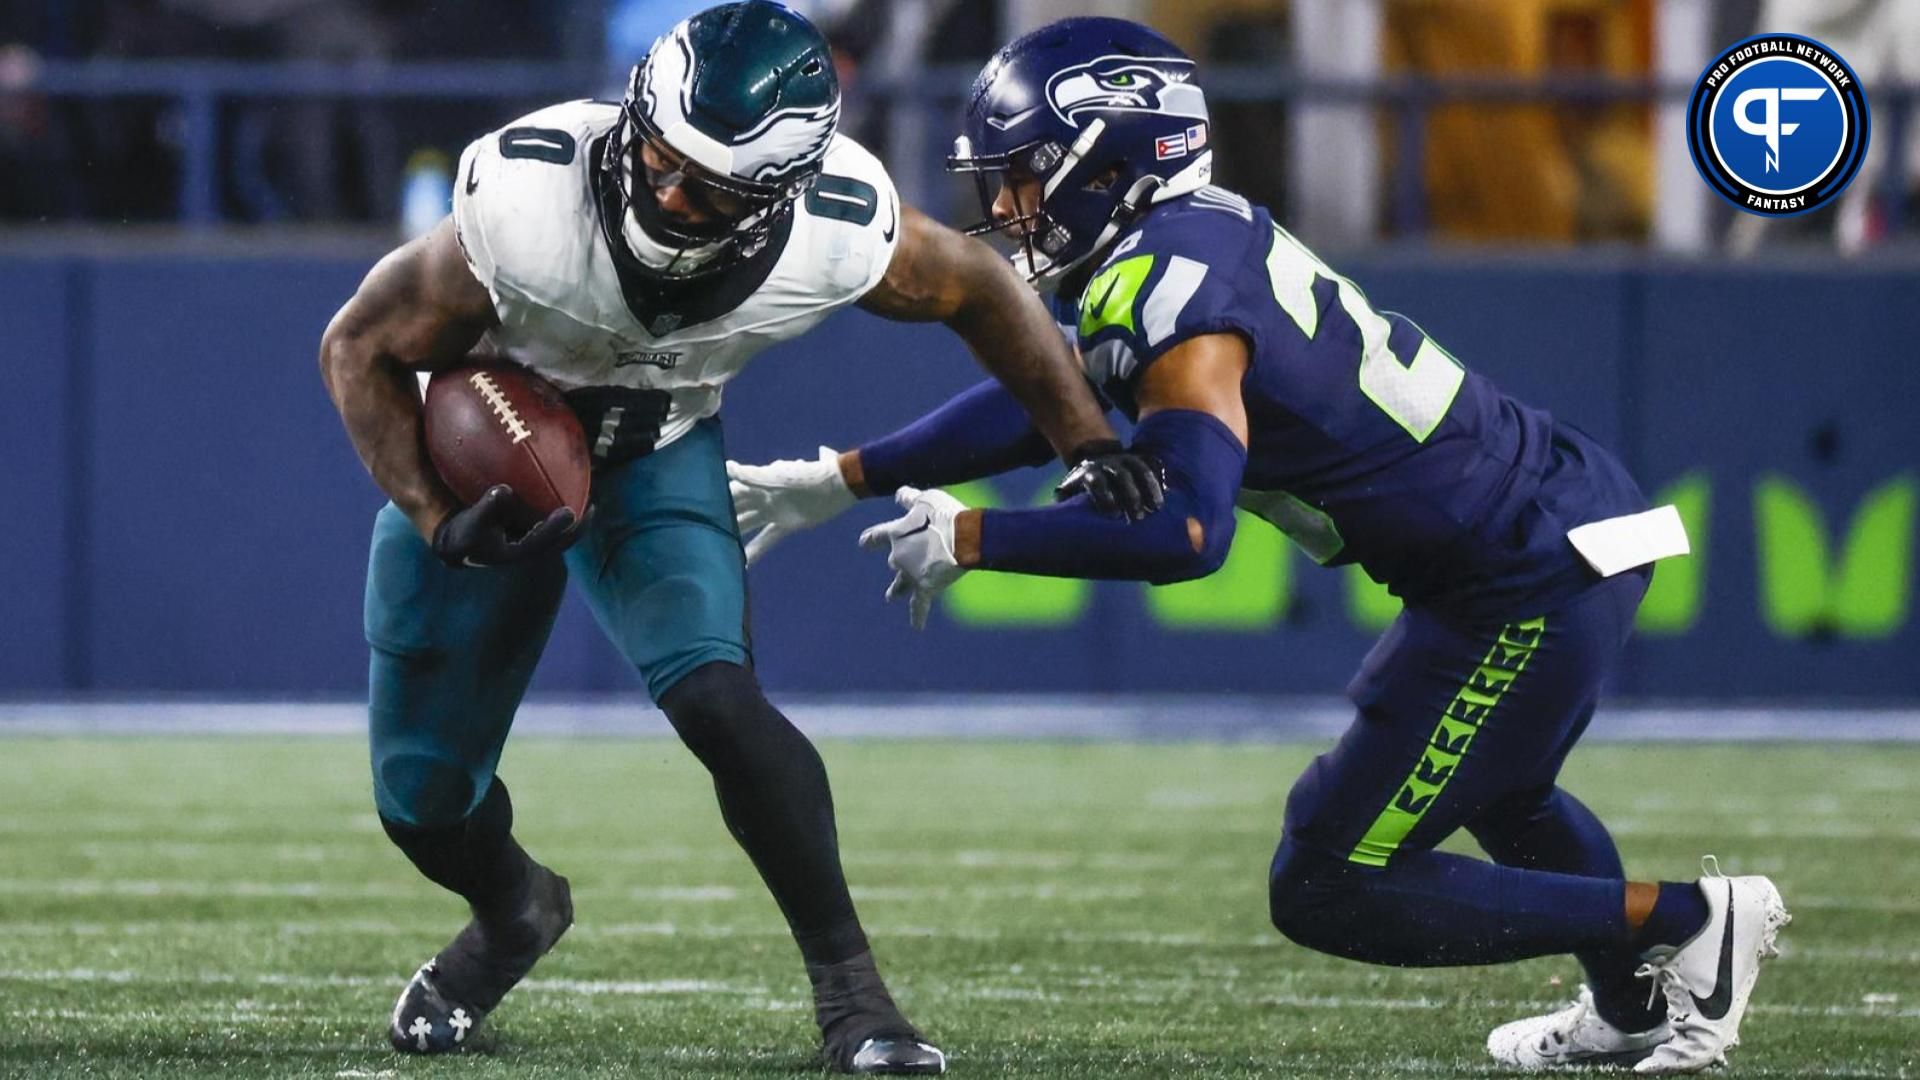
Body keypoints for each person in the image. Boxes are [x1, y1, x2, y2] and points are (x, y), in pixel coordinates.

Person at [725, 17, 1789, 1075]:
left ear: (1113, 160)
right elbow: (1039, 392)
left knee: (1328, 878)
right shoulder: (1178, 240)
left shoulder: (1170, 285)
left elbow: (1189, 530)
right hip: (1526, 542)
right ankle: (1638, 1010)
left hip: (1528, 567)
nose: (1005, 206)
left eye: (1027, 175)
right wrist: (843, 476)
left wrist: (975, 536)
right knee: (1498, 792)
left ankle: (1692, 921)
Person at [317, 3, 1155, 1073]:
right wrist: (438, 516)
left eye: (709, 186)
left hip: (655, 451)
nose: (668, 192)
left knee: (719, 698)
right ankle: (514, 911)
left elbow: (982, 287)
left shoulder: (838, 226)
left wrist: (1085, 439)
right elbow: (357, 347)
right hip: (487, 476)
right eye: (660, 158)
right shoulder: (527, 203)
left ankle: (857, 1001)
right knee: (422, 802)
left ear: (779, 195)